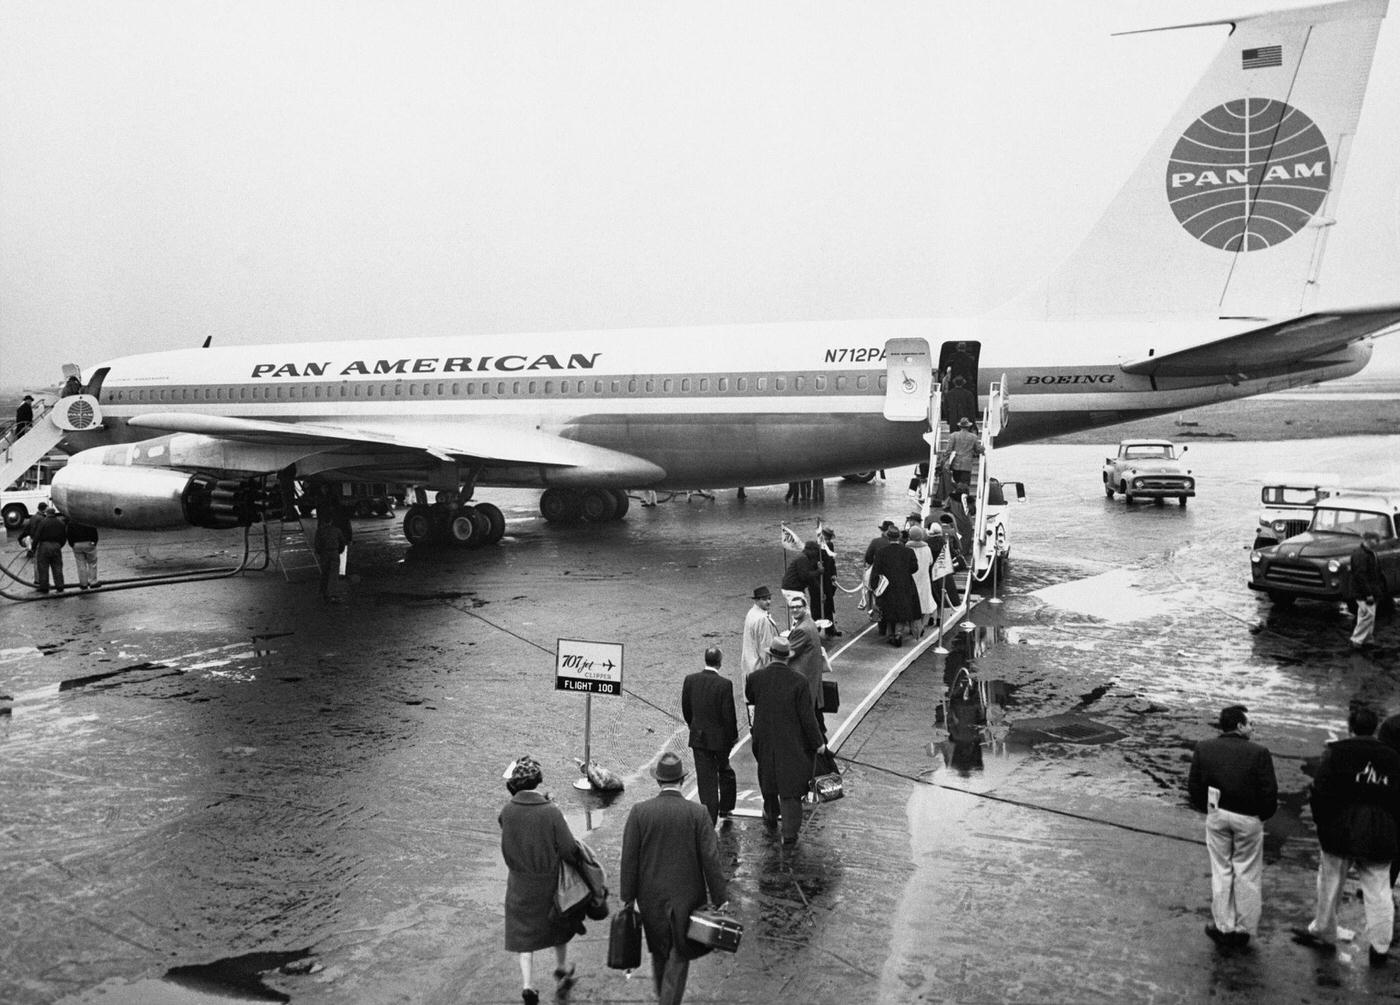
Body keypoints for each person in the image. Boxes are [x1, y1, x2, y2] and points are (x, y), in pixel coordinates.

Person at [619, 751, 729, 1005]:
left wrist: (628, 897)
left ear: (658, 781)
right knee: (679, 954)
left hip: (650, 898)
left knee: (659, 952)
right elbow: (710, 860)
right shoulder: (698, 813)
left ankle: (663, 996)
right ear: (681, 781)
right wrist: (720, 897)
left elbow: (629, 859)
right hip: (687, 899)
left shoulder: (639, 812)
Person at [1294, 705, 1400, 965]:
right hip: (1379, 833)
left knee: (1330, 884)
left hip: (1339, 830)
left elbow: (1320, 791)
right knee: (1379, 891)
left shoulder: (1337, 752)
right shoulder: (1394, 758)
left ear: (1350, 727)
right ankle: (1380, 946)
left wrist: (1323, 823)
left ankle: (1324, 930)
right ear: (1376, 728)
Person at [1186, 705, 1278, 949]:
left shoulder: (1204, 748)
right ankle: (1244, 928)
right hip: (1248, 818)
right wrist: (1262, 816)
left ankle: (1223, 926)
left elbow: (1194, 786)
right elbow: (1269, 793)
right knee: (1247, 873)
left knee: (1221, 870)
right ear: (1239, 726)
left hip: (1217, 814)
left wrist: (1206, 809)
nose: (1253, 728)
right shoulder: (1260, 753)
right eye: (1250, 724)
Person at [498, 755, 583, 1005]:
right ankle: (561, 969)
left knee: (525, 935)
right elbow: (569, 849)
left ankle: (528, 985)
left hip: (519, 883)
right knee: (559, 927)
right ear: (538, 781)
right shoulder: (551, 812)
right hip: (550, 882)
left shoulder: (508, 811)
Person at [746, 637, 825, 844]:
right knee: (790, 790)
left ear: (770, 655)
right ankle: (789, 834)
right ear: (788, 659)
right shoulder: (799, 682)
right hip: (791, 743)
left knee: (768, 781)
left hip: (764, 740)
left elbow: (751, 700)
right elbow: (807, 718)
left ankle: (770, 817)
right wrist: (818, 743)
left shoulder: (755, 678)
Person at [681, 648, 738, 825]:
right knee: (725, 769)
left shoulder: (690, 680)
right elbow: (728, 715)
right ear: (720, 662)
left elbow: (686, 709)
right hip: (720, 741)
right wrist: (733, 737)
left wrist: (694, 726)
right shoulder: (725, 684)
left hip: (699, 739)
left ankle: (709, 821)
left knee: (706, 783)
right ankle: (726, 807)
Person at [869, 525, 920, 646]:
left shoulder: (881, 552)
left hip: (887, 586)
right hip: (905, 584)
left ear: (888, 537)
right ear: (900, 537)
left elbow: (876, 570)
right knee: (902, 611)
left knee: (889, 610)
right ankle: (898, 634)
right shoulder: (908, 551)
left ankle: (891, 634)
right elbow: (914, 568)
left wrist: (874, 585)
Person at [784, 594, 828, 731]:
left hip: (803, 677)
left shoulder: (802, 629)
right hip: (811, 675)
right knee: (814, 715)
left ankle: (820, 746)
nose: (795, 610)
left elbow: (789, 652)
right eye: (792, 607)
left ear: (804, 608)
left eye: (798, 607)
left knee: (808, 717)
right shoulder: (809, 622)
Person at [1349, 531, 1386, 650]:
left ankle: (1367, 639)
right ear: (1369, 540)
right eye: (1376, 540)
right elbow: (1360, 576)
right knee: (1367, 616)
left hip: (1368, 591)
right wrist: (1368, 593)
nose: (1378, 543)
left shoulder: (1368, 553)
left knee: (1368, 615)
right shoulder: (1363, 555)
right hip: (1364, 592)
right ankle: (1357, 640)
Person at [31, 504, 68, 593]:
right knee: (57, 567)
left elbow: (37, 535)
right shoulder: (60, 523)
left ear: (47, 513)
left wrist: (33, 547)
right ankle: (59, 586)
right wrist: (59, 545)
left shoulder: (43, 522)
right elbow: (64, 537)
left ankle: (44, 587)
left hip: (44, 546)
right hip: (56, 546)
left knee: (43, 567)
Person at [781, 541, 822, 621]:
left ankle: (798, 631)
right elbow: (805, 576)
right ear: (810, 550)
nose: (816, 554)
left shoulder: (804, 558)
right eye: (816, 551)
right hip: (792, 589)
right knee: (802, 616)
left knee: (801, 616)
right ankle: (799, 632)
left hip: (792, 589)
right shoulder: (803, 559)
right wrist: (819, 572)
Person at [906, 526, 936, 633]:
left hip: (911, 578)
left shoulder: (907, 548)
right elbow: (931, 562)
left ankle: (911, 627)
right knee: (925, 601)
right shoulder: (927, 548)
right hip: (924, 577)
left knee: (911, 603)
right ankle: (922, 625)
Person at [313, 513, 346, 602]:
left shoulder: (320, 531)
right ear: (331, 521)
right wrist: (339, 551)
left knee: (325, 573)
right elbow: (342, 542)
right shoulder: (337, 530)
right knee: (334, 574)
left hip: (324, 553)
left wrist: (320, 552)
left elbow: (317, 544)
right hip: (334, 552)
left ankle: (323, 592)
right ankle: (332, 594)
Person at [944, 418, 983, 487]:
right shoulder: (973, 437)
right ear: (969, 427)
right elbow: (978, 450)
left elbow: (948, 450)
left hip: (956, 464)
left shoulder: (953, 435)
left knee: (956, 485)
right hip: (967, 465)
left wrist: (944, 460)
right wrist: (983, 449)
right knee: (965, 486)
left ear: (960, 426)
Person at [817, 526, 840, 639]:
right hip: (823, 577)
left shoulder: (827, 545)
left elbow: (831, 561)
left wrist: (833, 573)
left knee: (827, 602)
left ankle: (829, 628)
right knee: (827, 602)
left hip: (825, 577)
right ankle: (828, 628)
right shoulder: (823, 545)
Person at [65, 518, 100, 590]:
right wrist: (94, 542)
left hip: (77, 544)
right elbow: (94, 532)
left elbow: (69, 535)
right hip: (89, 543)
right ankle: (93, 582)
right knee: (92, 563)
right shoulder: (88, 520)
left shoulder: (71, 523)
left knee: (81, 565)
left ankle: (83, 584)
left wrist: (72, 544)